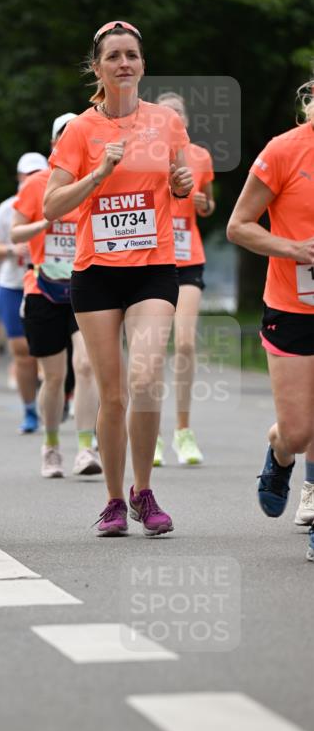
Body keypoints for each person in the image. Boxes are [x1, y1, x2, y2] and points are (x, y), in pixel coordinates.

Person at [44, 20, 193, 536]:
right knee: (112, 394)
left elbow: (179, 190)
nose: (124, 63)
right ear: (98, 68)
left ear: (143, 64)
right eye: (113, 57)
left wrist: (181, 184)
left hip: (153, 268)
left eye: (132, 55)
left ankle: (144, 492)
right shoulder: (81, 130)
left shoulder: (166, 123)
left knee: (146, 379)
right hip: (95, 274)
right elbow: (52, 204)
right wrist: (96, 175)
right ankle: (112, 499)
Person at [227, 77, 314, 562]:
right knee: (300, 430)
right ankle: (281, 454)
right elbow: (238, 226)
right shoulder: (283, 151)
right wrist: (293, 248)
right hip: (292, 305)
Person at [12, 112, 102, 478]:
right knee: (52, 376)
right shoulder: (37, 185)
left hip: (88, 287)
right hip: (44, 289)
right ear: (54, 146)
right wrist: (44, 223)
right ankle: (51, 445)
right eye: (65, 138)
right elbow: (17, 235)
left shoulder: (99, 181)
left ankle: (85, 447)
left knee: (85, 366)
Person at [153, 91, 215, 466]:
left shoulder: (201, 157)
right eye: (165, 113)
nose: (172, 117)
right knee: (152, 350)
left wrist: (205, 204)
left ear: (186, 121)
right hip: (152, 256)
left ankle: (183, 431)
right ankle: (153, 435)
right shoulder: (142, 153)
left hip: (188, 256)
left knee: (186, 344)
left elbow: (206, 204)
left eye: (178, 113)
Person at [0, 153, 48, 433]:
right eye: (28, 175)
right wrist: (12, 249)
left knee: (55, 351)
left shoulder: (57, 203)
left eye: (38, 174)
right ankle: (30, 409)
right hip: (13, 286)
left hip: (50, 285)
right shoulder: (8, 209)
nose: (33, 180)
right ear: (20, 178)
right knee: (22, 352)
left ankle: (63, 395)